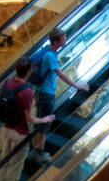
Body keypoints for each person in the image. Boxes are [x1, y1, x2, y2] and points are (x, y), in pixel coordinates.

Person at [0, 57, 55, 181]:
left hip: (6, 129)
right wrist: (44, 119)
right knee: (15, 164)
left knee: (5, 161)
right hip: (20, 133)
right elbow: (29, 118)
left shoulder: (6, 83)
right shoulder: (26, 91)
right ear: (28, 72)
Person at [27, 28, 89, 164]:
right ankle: (39, 153)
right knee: (44, 124)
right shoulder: (50, 56)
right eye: (63, 39)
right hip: (46, 94)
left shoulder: (49, 53)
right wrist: (77, 85)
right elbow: (60, 74)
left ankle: (37, 149)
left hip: (42, 92)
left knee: (42, 122)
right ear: (55, 41)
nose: (65, 41)